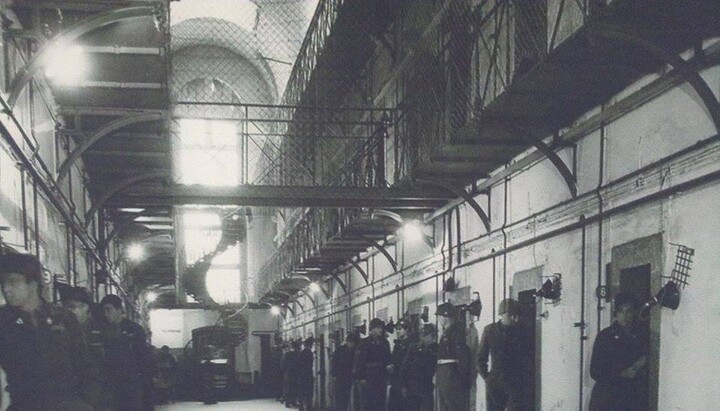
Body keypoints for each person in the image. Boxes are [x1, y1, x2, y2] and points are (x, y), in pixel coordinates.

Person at [0, 253, 97, 411]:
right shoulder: (4, 323)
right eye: (3, 282)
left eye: (13, 282)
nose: (6, 289)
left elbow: (84, 366)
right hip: (24, 405)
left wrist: (87, 403)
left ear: (33, 284)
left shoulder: (63, 318)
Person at [589, 292, 647, 411]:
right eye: (621, 311)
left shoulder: (640, 335)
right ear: (616, 313)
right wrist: (622, 373)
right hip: (607, 398)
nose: (625, 316)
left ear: (634, 312)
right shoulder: (606, 336)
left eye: (628, 311)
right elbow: (595, 371)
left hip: (631, 398)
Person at [98, 294, 153, 411]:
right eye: (103, 310)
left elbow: (142, 356)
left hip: (130, 381)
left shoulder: (134, 329)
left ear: (119, 310)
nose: (105, 314)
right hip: (109, 381)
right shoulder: (101, 330)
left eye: (109, 309)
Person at [478, 298, 533, 411]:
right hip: (495, 383)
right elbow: (480, 358)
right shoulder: (490, 330)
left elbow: (528, 357)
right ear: (503, 315)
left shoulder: (522, 331)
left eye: (516, 316)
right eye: (512, 316)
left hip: (515, 383)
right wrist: (488, 378)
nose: (515, 319)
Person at [436, 302, 472, 411]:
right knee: (444, 406)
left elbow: (462, 356)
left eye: (439, 316)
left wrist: (460, 378)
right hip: (444, 374)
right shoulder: (446, 332)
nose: (438, 319)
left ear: (446, 316)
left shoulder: (456, 332)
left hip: (451, 374)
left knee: (453, 405)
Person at [353, 318, 391, 411]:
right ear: (371, 329)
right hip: (368, 377)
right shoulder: (364, 343)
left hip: (381, 377)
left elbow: (388, 358)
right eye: (377, 328)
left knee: (380, 403)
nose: (380, 330)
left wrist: (388, 373)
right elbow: (359, 361)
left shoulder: (385, 343)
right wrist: (361, 377)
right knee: (368, 404)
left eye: (381, 328)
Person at [400, 323, 438, 411]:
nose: (434, 339)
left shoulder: (435, 349)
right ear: (425, 336)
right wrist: (403, 385)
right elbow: (405, 366)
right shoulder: (413, 348)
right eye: (432, 336)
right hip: (412, 387)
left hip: (426, 387)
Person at [387, 318, 411, 411]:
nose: (397, 331)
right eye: (396, 329)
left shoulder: (411, 344)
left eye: (400, 329)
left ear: (407, 329)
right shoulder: (398, 344)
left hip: (405, 381)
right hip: (395, 380)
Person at [331, 332, 358, 411]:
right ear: (348, 341)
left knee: (346, 397)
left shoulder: (354, 351)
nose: (352, 344)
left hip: (349, 377)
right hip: (340, 376)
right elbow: (334, 362)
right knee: (339, 397)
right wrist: (334, 375)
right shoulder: (340, 350)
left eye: (353, 343)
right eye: (351, 342)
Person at [282, 338, 302, 408]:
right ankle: (294, 401)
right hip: (296, 373)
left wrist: (283, 372)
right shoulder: (299, 354)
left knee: (288, 388)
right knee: (295, 388)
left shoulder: (287, 354)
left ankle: (287, 402)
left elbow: (283, 364)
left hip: (288, 373)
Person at [298, 337, 315, 411]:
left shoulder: (301, 353)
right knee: (309, 393)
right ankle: (308, 407)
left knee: (302, 392)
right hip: (308, 375)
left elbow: (298, 365)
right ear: (310, 345)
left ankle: (301, 407)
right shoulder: (310, 353)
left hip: (301, 376)